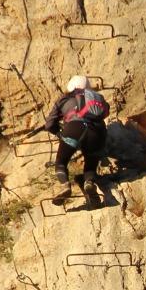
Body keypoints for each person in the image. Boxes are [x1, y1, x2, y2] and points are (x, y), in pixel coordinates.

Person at [43, 75, 109, 207]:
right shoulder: (97, 97)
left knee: (61, 162)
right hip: (97, 132)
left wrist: (60, 133)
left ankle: (65, 186)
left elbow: (49, 125)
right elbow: (105, 112)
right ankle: (89, 182)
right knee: (90, 162)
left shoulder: (63, 99)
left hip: (73, 129)